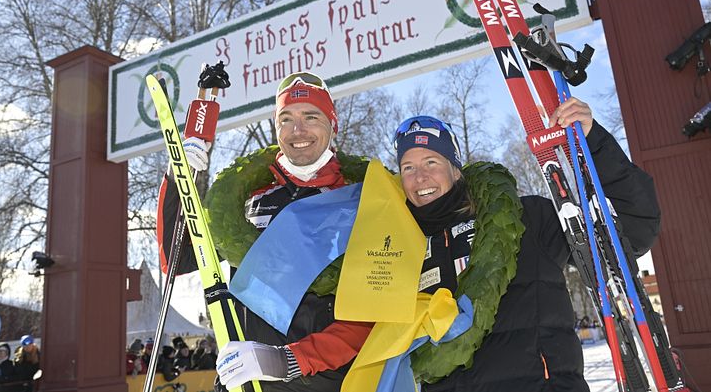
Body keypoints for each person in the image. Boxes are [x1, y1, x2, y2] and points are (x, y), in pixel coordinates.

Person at [391, 98, 660, 392]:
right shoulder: (394, 251)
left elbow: (632, 232)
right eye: (408, 167)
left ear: (456, 170)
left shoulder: (527, 219)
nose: (420, 177)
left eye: (431, 162)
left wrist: (591, 143)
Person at [157, 72, 372, 391]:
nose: (298, 130)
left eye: (311, 116)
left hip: (323, 380)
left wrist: (288, 360)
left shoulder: (361, 199)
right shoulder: (248, 199)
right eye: (286, 119)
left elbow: (371, 312)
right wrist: (178, 178)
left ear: (333, 124)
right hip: (244, 379)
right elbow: (178, 259)